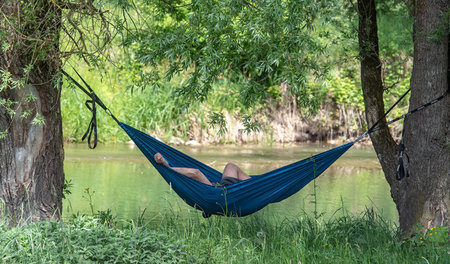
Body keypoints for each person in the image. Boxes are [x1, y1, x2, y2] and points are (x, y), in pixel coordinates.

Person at [154, 153, 251, 186]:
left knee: (231, 165)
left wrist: (164, 162)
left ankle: (258, 184)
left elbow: (171, 169)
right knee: (196, 172)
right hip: (219, 193)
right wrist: (167, 167)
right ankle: (258, 185)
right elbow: (195, 173)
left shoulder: (175, 172)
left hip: (222, 186)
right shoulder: (202, 188)